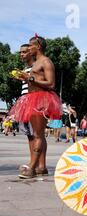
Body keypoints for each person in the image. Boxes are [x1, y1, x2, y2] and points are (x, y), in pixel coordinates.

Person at [9, 34, 62, 179]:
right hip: (32, 99)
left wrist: (30, 78)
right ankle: (41, 167)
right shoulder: (37, 63)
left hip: (41, 100)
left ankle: (32, 168)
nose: (28, 48)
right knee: (36, 135)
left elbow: (51, 84)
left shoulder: (46, 62)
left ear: (38, 46)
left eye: (30, 46)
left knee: (37, 135)